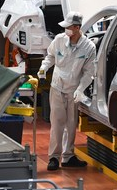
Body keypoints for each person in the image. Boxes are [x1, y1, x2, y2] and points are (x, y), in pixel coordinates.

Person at [38, 11, 97, 171]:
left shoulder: (89, 47)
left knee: (71, 124)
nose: (66, 30)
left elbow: (89, 72)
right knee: (57, 122)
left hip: (73, 90)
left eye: (69, 27)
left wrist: (80, 89)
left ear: (77, 27)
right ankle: (54, 157)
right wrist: (44, 68)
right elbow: (50, 56)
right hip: (57, 86)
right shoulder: (59, 40)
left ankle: (68, 156)